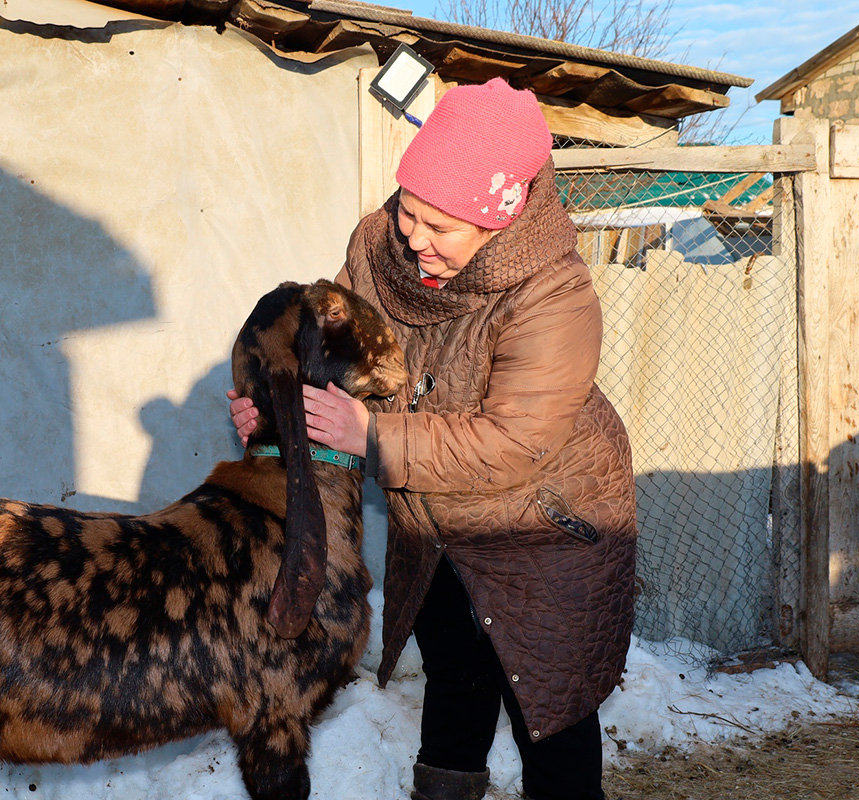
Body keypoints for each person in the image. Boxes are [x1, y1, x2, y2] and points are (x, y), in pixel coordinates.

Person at [228, 77, 637, 800]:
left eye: (440, 227)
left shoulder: (555, 294)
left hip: (541, 525)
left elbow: (514, 440)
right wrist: (276, 416)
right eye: (409, 211)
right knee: (454, 679)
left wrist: (373, 436)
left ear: (500, 217)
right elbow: (338, 352)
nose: (414, 237)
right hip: (438, 523)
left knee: (550, 709)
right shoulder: (380, 246)